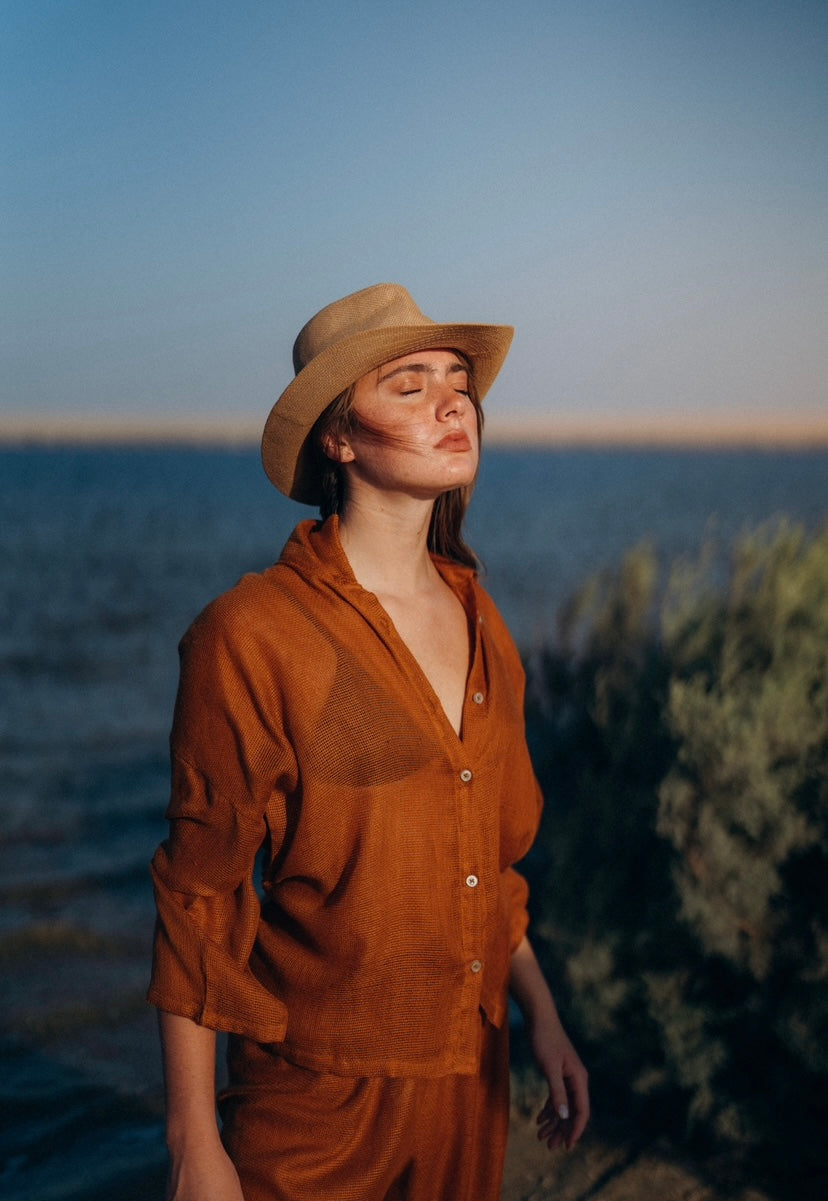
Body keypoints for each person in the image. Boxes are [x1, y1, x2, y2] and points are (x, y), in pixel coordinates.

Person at [148, 283, 589, 1201]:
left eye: (459, 381)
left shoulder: (482, 618)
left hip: (473, 1079)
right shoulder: (254, 635)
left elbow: (491, 868)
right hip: (318, 1104)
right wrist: (195, 1146)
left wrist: (544, 1016)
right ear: (339, 439)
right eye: (410, 383)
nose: (451, 400)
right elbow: (200, 897)